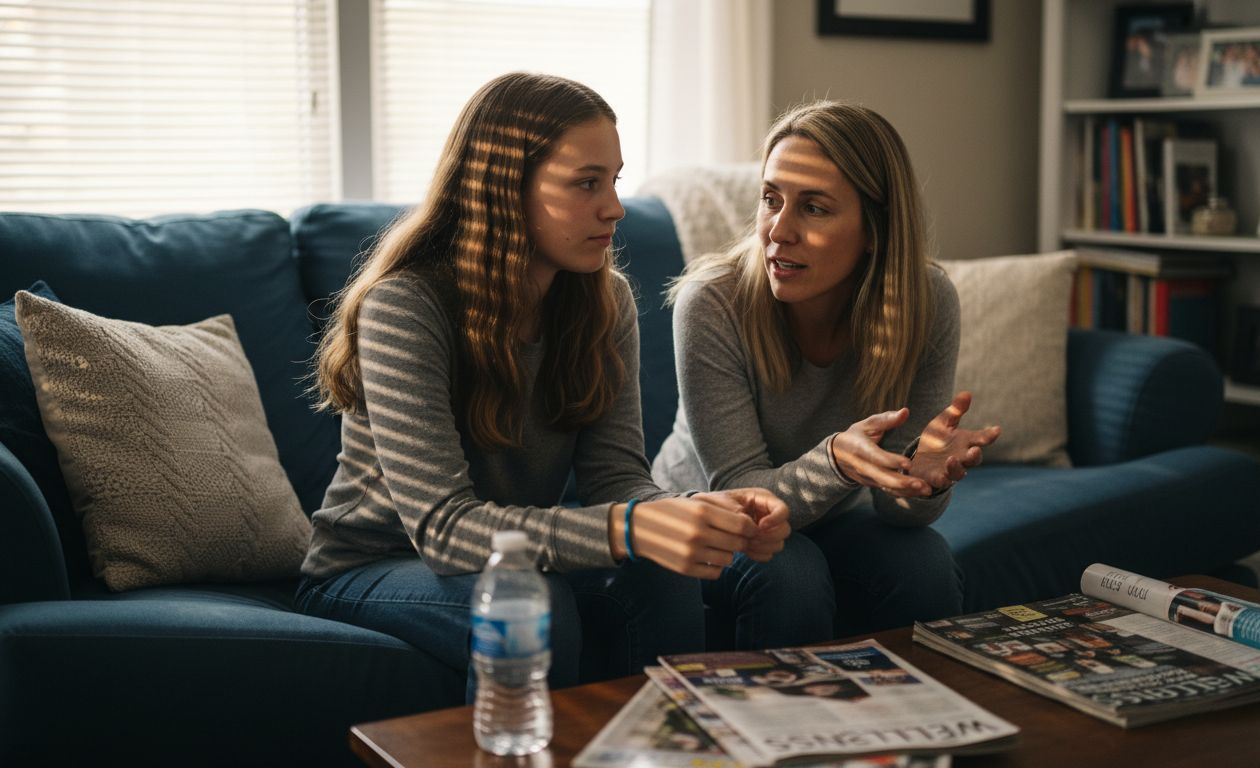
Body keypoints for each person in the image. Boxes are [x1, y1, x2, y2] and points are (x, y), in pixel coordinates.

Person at [294, 72, 790, 693]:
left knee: (662, 577)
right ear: (505, 186)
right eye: (586, 183)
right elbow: (444, 530)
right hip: (372, 565)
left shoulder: (604, 300)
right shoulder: (405, 307)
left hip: (499, 553)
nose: (613, 207)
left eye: (613, 180)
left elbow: (617, 479)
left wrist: (696, 514)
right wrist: (629, 528)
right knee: (531, 601)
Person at [652, 101, 1001, 647]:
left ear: (874, 230)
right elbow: (744, 495)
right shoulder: (711, 301)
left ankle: (922, 727)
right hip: (709, 510)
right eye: (771, 200)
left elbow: (901, 512)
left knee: (925, 562)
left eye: (813, 208)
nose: (778, 231)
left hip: (829, 513)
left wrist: (922, 477)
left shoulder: (927, 301)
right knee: (789, 573)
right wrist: (837, 460)